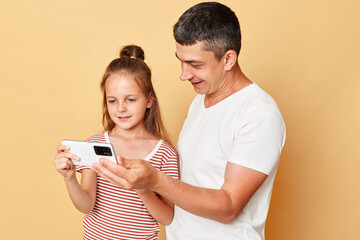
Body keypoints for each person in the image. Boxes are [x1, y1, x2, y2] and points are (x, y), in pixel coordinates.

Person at [92, 2, 286, 240]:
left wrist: (154, 180)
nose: (183, 75)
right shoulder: (200, 101)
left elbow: (229, 206)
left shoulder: (259, 115)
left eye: (195, 64)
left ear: (228, 59)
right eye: (181, 61)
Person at [54, 45, 179, 240]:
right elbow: (86, 205)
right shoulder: (94, 145)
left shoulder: (165, 153)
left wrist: (143, 189)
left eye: (130, 99)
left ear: (149, 100)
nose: (120, 108)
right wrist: (69, 178)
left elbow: (168, 217)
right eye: (112, 101)